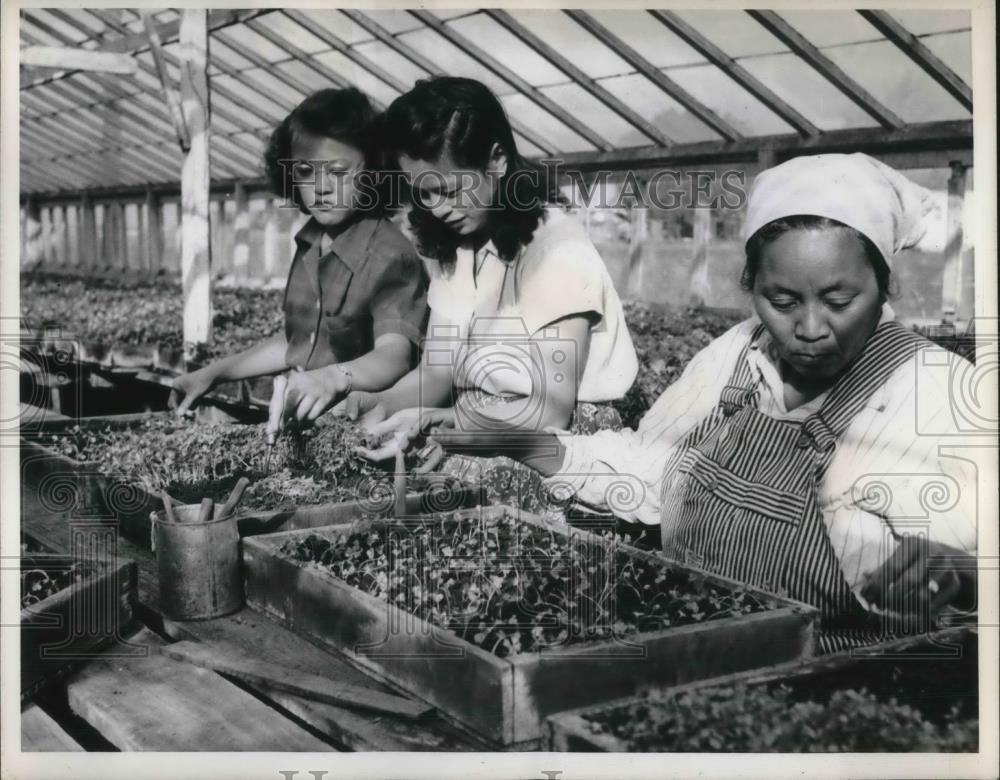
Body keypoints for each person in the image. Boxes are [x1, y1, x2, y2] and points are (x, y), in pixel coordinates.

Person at [430, 153, 978, 651]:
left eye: (839, 300)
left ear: (883, 287)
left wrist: (963, 572)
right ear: (751, 286)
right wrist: (531, 446)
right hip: (686, 652)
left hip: (834, 691)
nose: (810, 327)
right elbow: (657, 467)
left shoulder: (930, 390)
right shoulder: (736, 356)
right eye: (782, 300)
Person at [340, 77, 638, 513]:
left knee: (446, 501)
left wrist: (444, 423)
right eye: (423, 192)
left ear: (497, 161)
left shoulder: (558, 250)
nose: (437, 207)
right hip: (479, 418)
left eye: (450, 188)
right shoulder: (456, 246)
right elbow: (437, 375)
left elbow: (549, 411)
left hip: (554, 435)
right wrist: (375, 404)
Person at [171, 88, 428, 424]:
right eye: (306, 172)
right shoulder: (311, 242)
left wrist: (334, 377)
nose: (321, 187)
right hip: (308, 423)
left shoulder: (391, 256)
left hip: (368, 427)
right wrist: (214, 373)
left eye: (337, 172)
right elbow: (301, 342)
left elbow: (395, 356)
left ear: (374, 172)